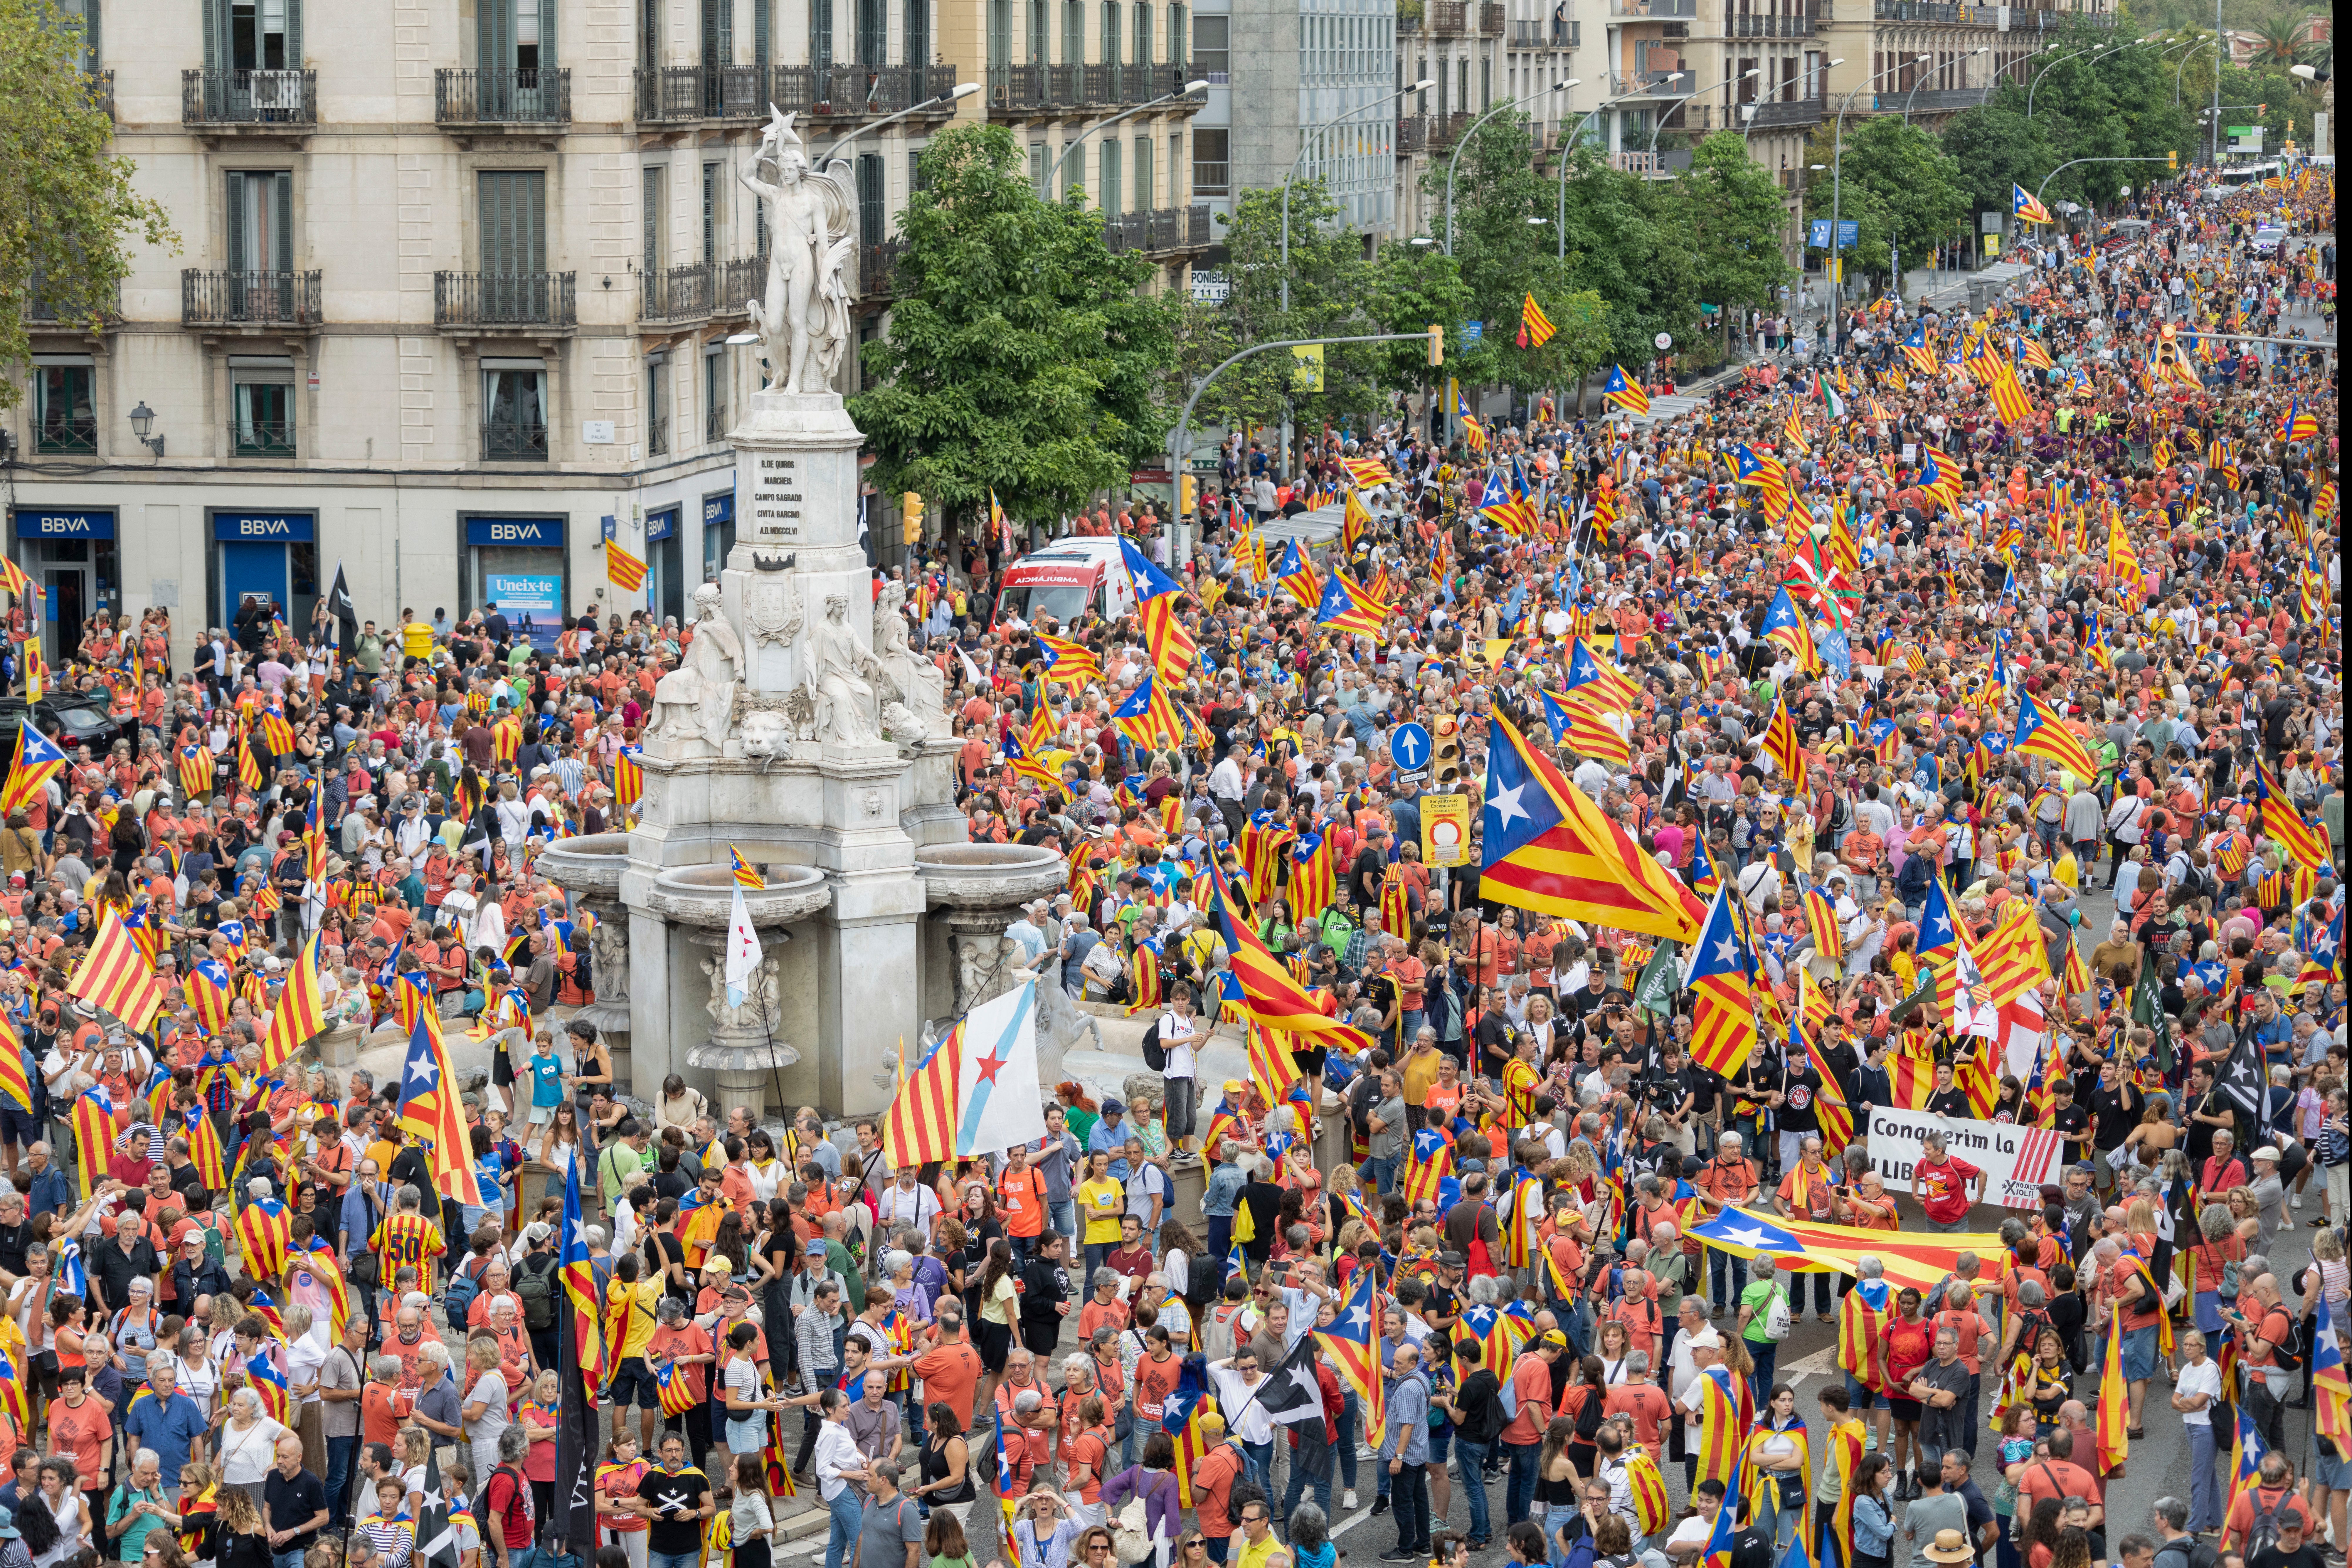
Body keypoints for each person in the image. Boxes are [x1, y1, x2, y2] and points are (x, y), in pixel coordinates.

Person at [632, 1432, 712, 1568]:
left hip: (689, 1551)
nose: (674, 1455)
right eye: (669, 1450)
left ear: (683, 1451)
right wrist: (650, 1512)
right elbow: (639, 1508)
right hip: (659, 1551)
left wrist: (694, 1513)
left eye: (678, 1450)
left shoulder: (696, 1477)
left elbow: (711, 1508)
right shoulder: (652, 1477)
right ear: (660, 1453)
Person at [260, 1435, 327, 1568]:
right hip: (275, 1550)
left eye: (285, 1457)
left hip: (300, 1550)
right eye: (278, 1456)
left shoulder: (311, 1483)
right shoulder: (272, 1477)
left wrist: (294, 1531)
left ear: (299, 1458)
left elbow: (324, 1518)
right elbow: (267, 1507)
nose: (279, 1461)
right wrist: (268, 1527)